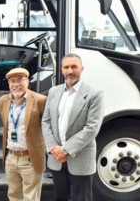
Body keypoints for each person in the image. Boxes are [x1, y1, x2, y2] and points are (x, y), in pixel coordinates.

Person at [42, 53, 104, 201]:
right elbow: (46, 122)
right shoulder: (53, 92)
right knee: (60, 198)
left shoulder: (94, 94)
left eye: (74, 67)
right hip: (56, 159)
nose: (70, 71)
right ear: (62, 70)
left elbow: (92, 128)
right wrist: (54, 149)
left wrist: (65, 150)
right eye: (66, 67)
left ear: (82, 69)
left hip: (80, 159)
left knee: (82, 198)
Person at [0, 67, 47, 201]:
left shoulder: (40, 100)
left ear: (28, 81)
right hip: (11, 158)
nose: (16, 84)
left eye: (20, 80)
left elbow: (47, 127)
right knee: (13, 195)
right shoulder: (3, 101)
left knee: (31, 197)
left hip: (30, 158)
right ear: (8, 84)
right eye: (12, 81)